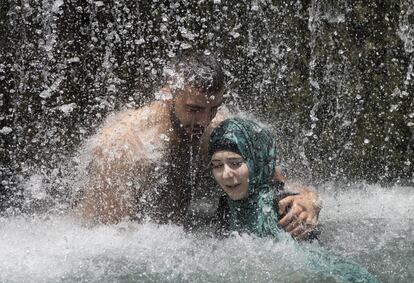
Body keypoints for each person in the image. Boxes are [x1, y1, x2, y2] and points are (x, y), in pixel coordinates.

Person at [74, 52, 320, 239]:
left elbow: (274, 182)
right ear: (167, 95)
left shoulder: (218, 129)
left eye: (213, 109)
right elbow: (110, 236)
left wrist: (307, 201)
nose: (205, 120)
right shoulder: (124, 145)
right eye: (194, 109)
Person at [208, 117, 378, 282]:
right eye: (217, 165)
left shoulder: (283, 206)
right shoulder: (226, 205)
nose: (226, 174)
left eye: (236, 163)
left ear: (257, 161)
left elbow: (311, 266)